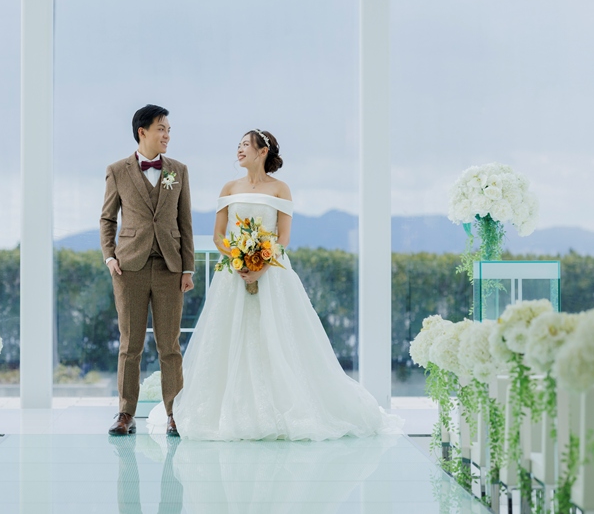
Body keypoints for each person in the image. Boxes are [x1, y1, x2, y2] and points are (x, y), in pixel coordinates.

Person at [150, 129, 403, 440]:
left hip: (273, 275)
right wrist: (240, 259)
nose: (239, 150)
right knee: (230, 338)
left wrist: (260, 265)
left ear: (262, 151)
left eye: (245, 145)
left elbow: (283, 239)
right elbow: (218, 236)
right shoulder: (229, 187)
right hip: (233, 277)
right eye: (238, 146)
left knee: (281, 339)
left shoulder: (281, 189)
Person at [101, 104, 195, 437]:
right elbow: (108, 218)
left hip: (171, 267)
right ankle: (125, 413)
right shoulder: (117, 170)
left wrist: (188, 268)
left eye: (169, 129)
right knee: (130, 344)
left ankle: (175, 414)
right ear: (143, 132)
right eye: (161, 128)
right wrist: (110, 256)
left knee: (170, 346)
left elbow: (185, 221)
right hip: (129, 269)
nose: (167, 135)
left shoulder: (178, 170)